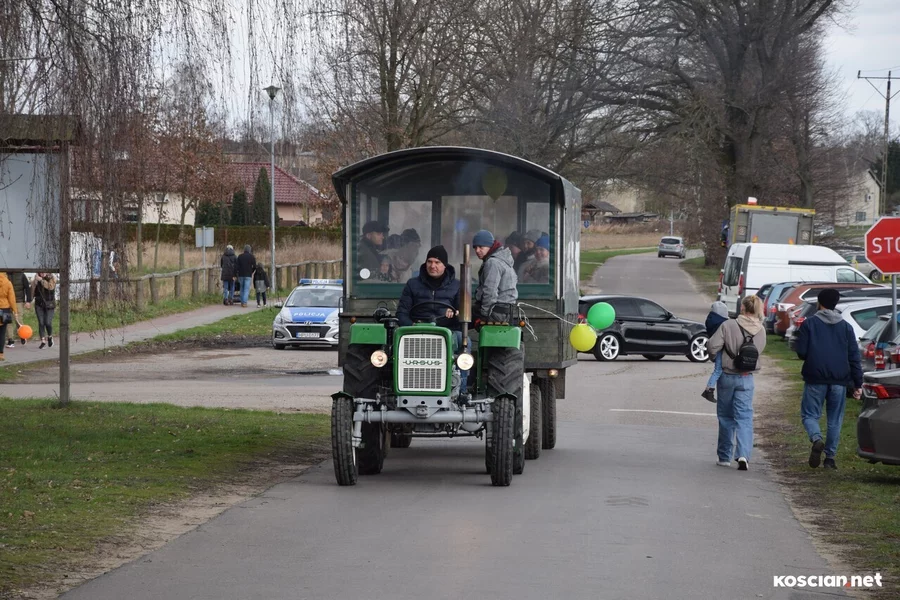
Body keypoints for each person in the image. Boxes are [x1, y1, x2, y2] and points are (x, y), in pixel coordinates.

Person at [795, 288, 863, 470]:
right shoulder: (846, 327)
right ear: (835, 303)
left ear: (819, 303)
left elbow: (801, 352)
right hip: (839, 380)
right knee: (835, 419)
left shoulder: (809, 324)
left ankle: (816, 438)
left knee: (810, 415)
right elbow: (854, 357)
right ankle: (830, 459)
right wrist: (858, 383)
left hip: (815, 378)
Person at [707, 295, 766, 471]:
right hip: (747, 377)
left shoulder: (728, 325)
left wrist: (717, 357)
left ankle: (724, 456)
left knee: (726, 417)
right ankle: (743, 455)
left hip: (727, 375)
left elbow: (712, 346)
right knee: (745, 417)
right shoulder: (761, 330)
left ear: (742, 308)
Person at [397, 245, 465, 394]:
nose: (432, 266)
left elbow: (463, 314)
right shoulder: (412, 284)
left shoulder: (457, 286)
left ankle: (461, 390)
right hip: (417, 330)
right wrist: (412, 325)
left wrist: (455, 313)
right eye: (429, 261)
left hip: (447, 331)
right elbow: (401, 313)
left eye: (437, 262)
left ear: (445, 265)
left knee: (464, 341)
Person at [472, 229, 518, 322]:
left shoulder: (493, 262)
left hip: (496, 312)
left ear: (489, 246)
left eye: (481, 247)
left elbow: (490, 291)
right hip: (505, 311)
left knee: (461, 318)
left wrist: (484, 315)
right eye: (475, 247)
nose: (477, 250)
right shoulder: (502, 259)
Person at [701, 301, 729, 402]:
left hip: (714, 346)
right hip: (720, 347)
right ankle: (709, 389)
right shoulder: (721, 323)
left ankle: (711, 389)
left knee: (718, 369)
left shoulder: (711, 320)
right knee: (718, 370)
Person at [0, 273, 23, 360]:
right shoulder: (8, 283)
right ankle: (1, 354)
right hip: (5, 309)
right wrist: (15, 311)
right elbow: (12, 299)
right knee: (2, 333)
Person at [31, 272, 57, 349]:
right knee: (41, 322)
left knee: (48, 322)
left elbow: (50, 287)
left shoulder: (52, 277)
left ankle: (50, 336)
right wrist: (29, 300)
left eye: (43, 271)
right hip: (39, 304)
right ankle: (43, 340)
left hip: (49, 304)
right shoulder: (35, 279)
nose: (42, 273)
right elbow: (32, 291)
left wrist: (41, 280)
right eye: (40, 272)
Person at [8, 271, 32, 347]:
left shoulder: (21, 275)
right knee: (8, 320)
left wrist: (28, 301)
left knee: (18, 320)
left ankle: (22, 335)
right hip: (7, 301)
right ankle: (10, 340)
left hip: (18, 300)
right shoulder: (5, 274)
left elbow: (27, 288)